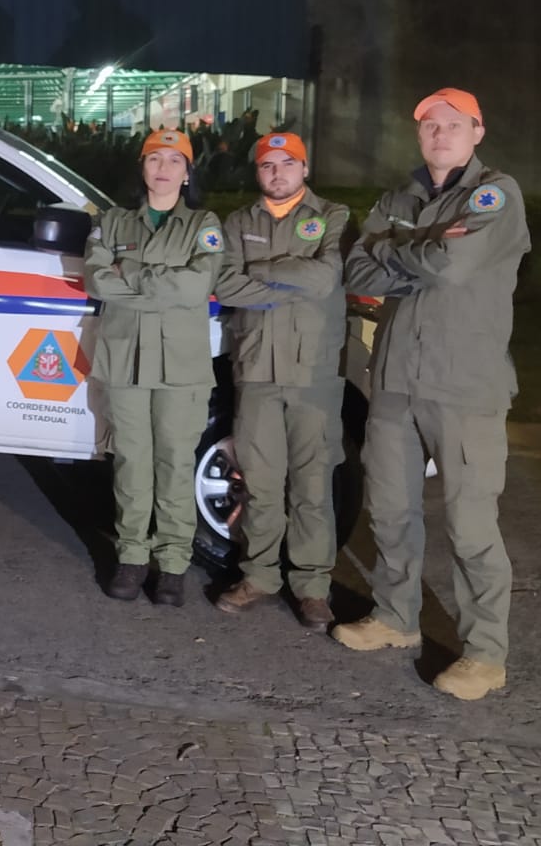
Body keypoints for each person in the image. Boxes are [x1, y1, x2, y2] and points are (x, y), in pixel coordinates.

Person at [337, 88, 529, 701]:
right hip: (395, 377)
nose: (439, 133)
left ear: (477, 131)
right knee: (392, 509)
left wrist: (396, 251)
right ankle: (396, 617)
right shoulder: (401, 197)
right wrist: (419, 250)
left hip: (464, 384)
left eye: (452, 124)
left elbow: (452, 266)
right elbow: (357, 271)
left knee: (471, 525)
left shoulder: (495, 195)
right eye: (429, 125)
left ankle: (485, 654)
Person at [212, 132, 349, 628]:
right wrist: (287, 280)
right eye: (267, 165)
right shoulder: (237, 222)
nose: (277, 172)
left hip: (312, 372)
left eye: (287, 163)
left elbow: (325, 276)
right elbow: (224, 282)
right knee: (261, 483)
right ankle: (260, 576)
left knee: (312, 483)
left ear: (304, 168)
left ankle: (312, 586)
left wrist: (261, 274)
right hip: (256, 371)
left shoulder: (331, 216)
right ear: (257, 172)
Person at [83, 128, 223, 606]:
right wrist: (159, 280)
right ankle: (132, 556)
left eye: (174, 161)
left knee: (175, 463)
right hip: (124, 359)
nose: (163, 169)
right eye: (154, 159)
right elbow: (98, 281)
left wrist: (132, 275)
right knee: (131, 462)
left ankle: (173, 565)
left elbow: (196, 285)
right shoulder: (114, 221)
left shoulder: (203, 224)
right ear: (141, 167)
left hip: (181, 367)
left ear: (188, 173)